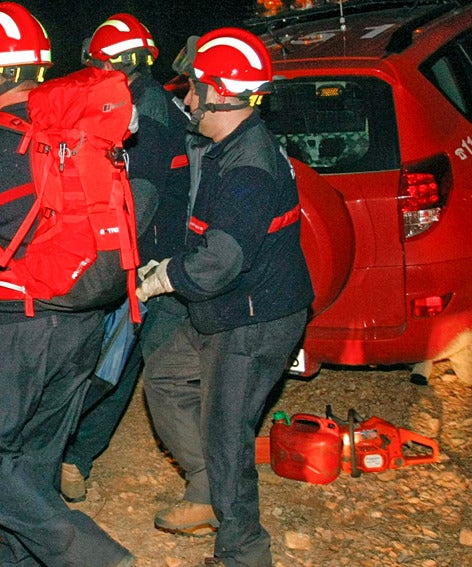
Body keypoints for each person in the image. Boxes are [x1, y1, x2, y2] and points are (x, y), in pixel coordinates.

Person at [0, 4, 135, 566]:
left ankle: (92, 555)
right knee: (38, 455)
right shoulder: (80, 136)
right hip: (87, 317)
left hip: (18, 327)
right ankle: (17, 562)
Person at [136, 28, 313, 566]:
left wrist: (165, 276)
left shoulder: (247, 168)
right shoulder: (227, 146)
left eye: (194, 88)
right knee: (165, 377)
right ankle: (210, 485)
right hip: (231, 306)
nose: (187, 99)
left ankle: (243, 552)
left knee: (226, 433)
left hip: (254, 318)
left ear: (220, 92)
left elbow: (221, 261)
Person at [60, 13, 193, 504]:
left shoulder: (147, 117)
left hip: (152, 263)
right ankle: (75, 456)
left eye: (95, 64)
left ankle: (73, 457)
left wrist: (95, 259)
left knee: (114, 361)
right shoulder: (146, 102)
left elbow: (139, 204)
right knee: (126, 361)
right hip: (164, 255)